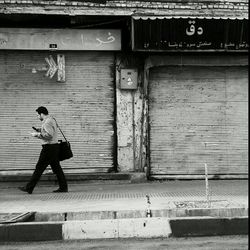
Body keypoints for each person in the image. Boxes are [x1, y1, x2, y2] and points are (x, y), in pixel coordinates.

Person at [18, 106, 68, 194]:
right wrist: (39, 129)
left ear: (41, 114)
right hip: (54, 147)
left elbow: (49, 135)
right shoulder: (52, 119)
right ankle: (63, 187)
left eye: (38, 115)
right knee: (57, 169)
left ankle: (29, 188)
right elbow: (50, 131)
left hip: (48, 148)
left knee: (39, 168)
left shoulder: (47, 122)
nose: (37, 117)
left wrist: (36, 135)